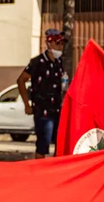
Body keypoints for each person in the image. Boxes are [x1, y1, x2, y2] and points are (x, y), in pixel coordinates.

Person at [17, 28, 67, 158]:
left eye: (62, 44)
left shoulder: (59, 62)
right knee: (43, 145)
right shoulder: (37, 62)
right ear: (49, 44)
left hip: (57, 109)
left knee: (60, 143)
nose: (60, 47)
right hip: (43, 110)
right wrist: (27, 104)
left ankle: (56, 172)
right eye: (58, 43)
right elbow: (21, 80)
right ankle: (39, 173)